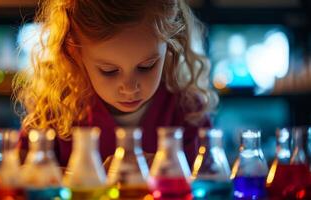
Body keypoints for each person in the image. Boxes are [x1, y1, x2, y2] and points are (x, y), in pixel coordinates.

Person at [13, 0, 218, 168]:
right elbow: (22, 179)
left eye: (147, 66)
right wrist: (94, 178)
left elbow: (210, 186)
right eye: (109, 71)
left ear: (171, 44)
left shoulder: (188, 112)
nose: (129, 88)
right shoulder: (55, 111)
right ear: (75, 52)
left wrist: (170, 174)